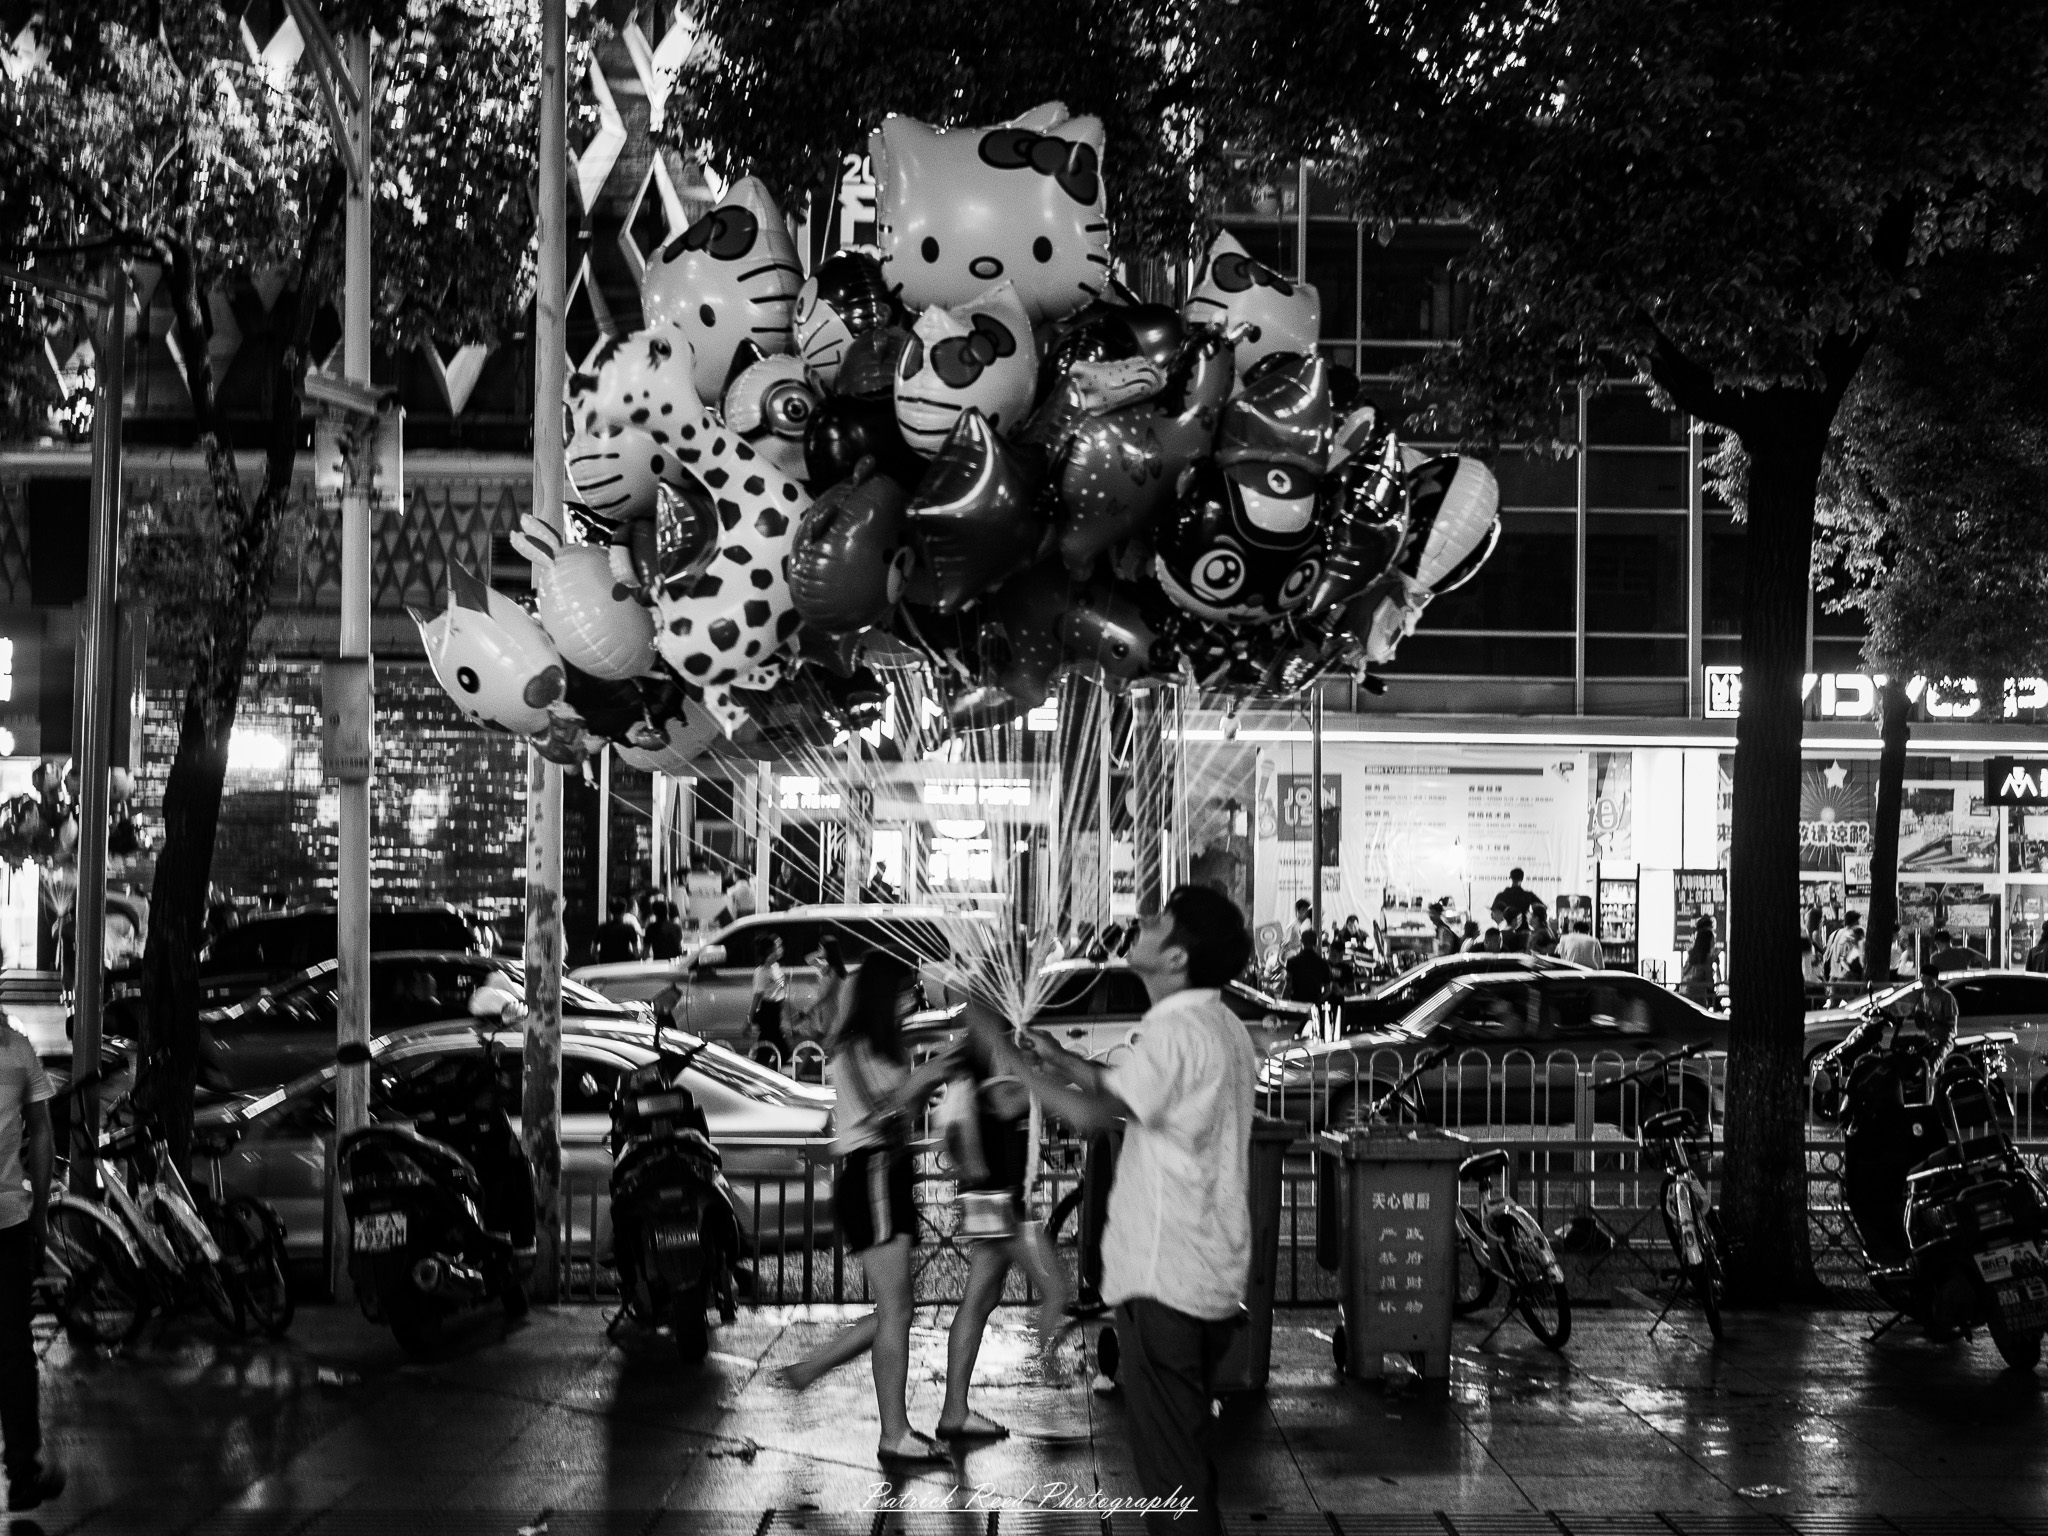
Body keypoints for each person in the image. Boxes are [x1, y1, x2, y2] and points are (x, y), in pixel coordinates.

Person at [972, 886, 1257, 1536]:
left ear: (1177, 955)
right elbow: (1122, 1091)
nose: (1140, 924)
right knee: (1184, 1457)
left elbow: (1094, 1115)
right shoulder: (1219, 1024)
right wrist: (1062, 1059)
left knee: (1170, 1474)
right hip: (1204, 1278)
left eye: (1155, 922)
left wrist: (1011, 1058)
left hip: (1167, 1283)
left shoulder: (1175, 1028)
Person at [775, 954, 957, 1464]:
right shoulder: (853, 1047)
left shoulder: (885, 1045)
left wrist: (923, 1083)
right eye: (905, 990)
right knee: (897, 1308)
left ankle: (813, 1369)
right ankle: (893, 1433)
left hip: (890, 1173)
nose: (912, 1000)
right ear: (882, 994)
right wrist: (926, 1078)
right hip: (872, 1173)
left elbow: (902, 1111)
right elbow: (882, 1110)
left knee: (897, 1308)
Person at [933, 1024, 1071, 1442]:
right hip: (999, 1202)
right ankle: (1045, 1380)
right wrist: (1049, 1066)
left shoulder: (985, 1053)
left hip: (997, 1199)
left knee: (981, 1298)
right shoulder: (991, 1058)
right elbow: (1011, 1100)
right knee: (1056, 1292)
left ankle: (955, 1411)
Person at [1, 1008, 62, 1511]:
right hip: (8, 1225)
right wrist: (39, 1210)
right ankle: (22, 1471)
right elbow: (42, 1131)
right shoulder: (17, 1052)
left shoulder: (19, 1052)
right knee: (13, 1348)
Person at [749, 935, 789, 1065]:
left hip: (775, 1011)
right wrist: (749, 1019)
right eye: (775, 949)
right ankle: (772, 1075)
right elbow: (757, 997)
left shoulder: (775, 967)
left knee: (765, 1050)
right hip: (768, 1013)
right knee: (783, 1051)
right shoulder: (761, 972)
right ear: (767, 953)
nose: (778, 951)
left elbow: (781, 988)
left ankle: (762, 1076)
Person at [1678, 915, 1718, 1008]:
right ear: (1708, 941)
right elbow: (1710, 984)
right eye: (1713, 939)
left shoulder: (1691, 956)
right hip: (1698, 1001)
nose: (1715, 942)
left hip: (1685, 998)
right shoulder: (1706, 958)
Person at [1284, 931, 1332, 1004]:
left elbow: (1288, 987)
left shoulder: (1292, 962)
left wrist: (1283, 1004)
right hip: (1314, 1003)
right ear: (1316, 942)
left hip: (1297, 1003)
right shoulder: (1323, 964)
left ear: (1301, 942)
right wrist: (1317, 1002)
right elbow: (1328, 990)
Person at [594, 899, 642, 964]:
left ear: (610, 911)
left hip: (606, 964)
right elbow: (635, 953)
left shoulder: (602, 928)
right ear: (624, 910)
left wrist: (599, 961)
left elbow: (594, 950)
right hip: (623, 965)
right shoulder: (629, 929)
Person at [1824, 911, 1863, 981]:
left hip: (1833, 978)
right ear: (1855, 923)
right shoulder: (1853, 936)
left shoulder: (1834, 934)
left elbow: (1826, 956)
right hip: (1846, 980)